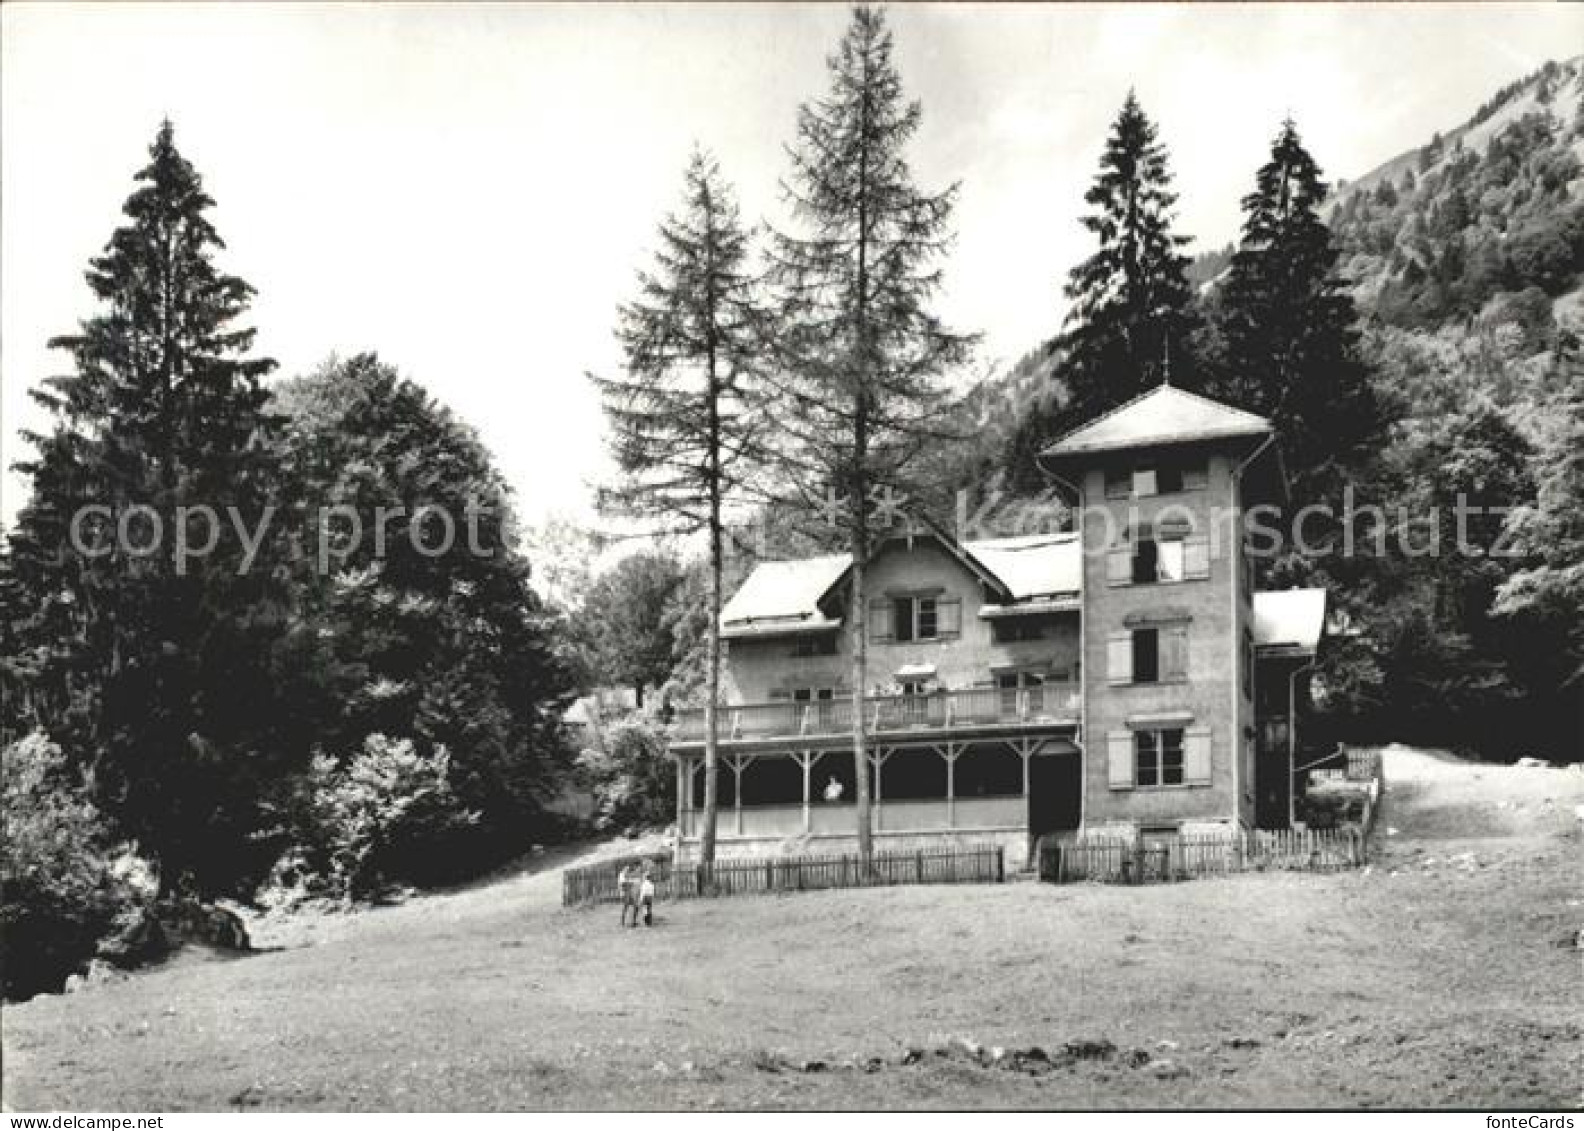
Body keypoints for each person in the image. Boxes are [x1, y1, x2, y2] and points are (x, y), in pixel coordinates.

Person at [617, 863, 640, 928]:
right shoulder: (621, 875)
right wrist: (631, 883)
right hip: (625, 894)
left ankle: (633, 922)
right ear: (624, 869)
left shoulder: (627, 875)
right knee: (625, 908)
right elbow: (623, 884)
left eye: (628, 869)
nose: (628, 870)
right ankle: (622, 922)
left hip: (629, 894)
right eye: (627, 869)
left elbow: (633, 881)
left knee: (636, 906)